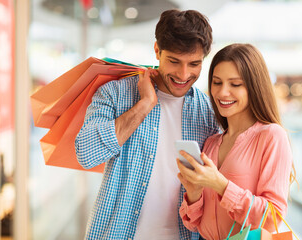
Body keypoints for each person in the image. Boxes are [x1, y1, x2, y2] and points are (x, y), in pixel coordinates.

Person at [75, 9, 220, 240]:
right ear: (157, 51)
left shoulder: (209, 113)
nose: (184, 74)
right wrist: (144, 105)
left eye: (194, 64)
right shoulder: (116, 93)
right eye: (174, 61)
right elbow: (86, 153)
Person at [177, 43, 296, 240]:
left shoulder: (271, 136)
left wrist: (221, 185)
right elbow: (194, 224)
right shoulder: (212, 142)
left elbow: (272, 218)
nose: (223, 92)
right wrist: (194, 193)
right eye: (217, 82)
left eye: (235, 84)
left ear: (254, 87)